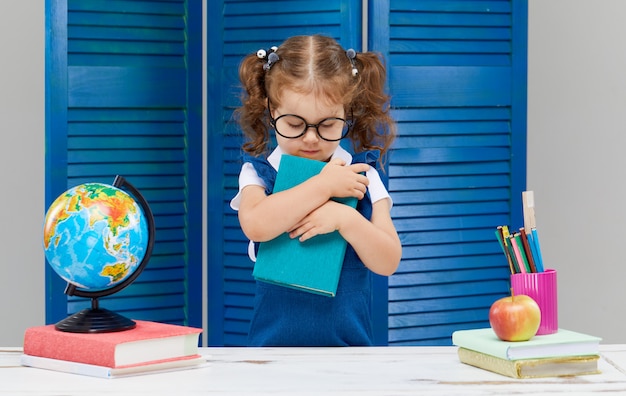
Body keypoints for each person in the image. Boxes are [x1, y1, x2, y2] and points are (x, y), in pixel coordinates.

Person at [230, 35, 402, 346]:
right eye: (295, 124)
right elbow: (256, 223)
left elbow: (388, 261)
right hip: (270, 353)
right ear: (271, 111)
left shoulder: (363, 175)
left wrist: (345, 219)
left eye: (327, 124)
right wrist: (322, 185)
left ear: (347, 113)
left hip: (350, 354)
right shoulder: (259, 173)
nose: (311, 139)